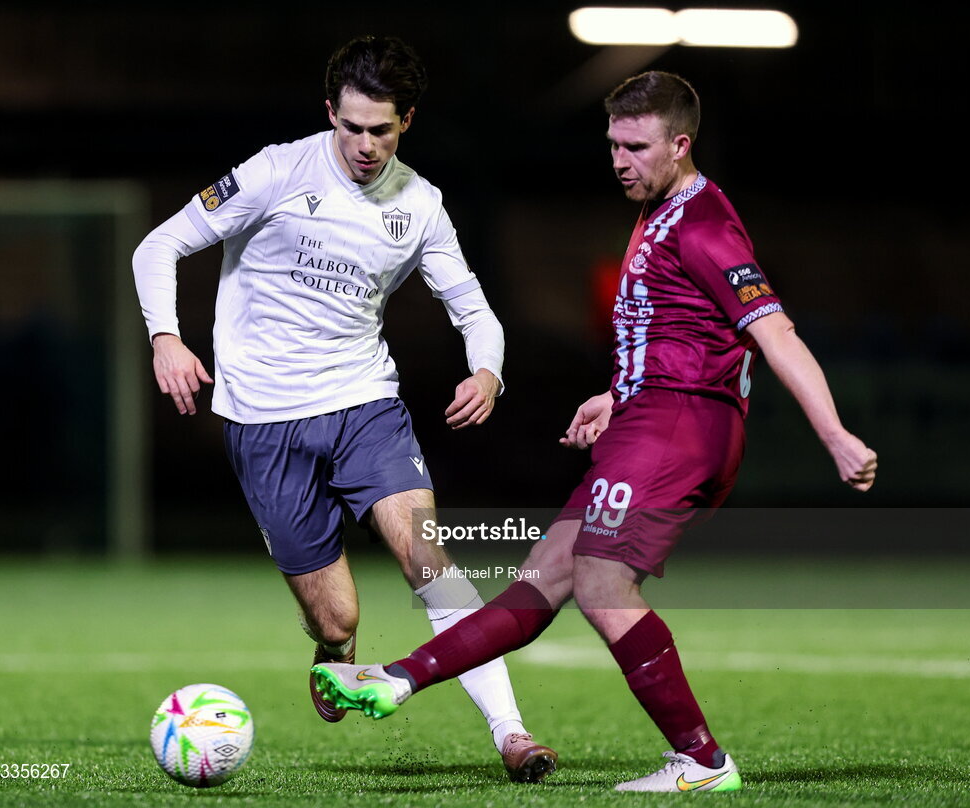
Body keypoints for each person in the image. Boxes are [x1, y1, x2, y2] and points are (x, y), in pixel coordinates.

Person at [311, 70, 878, 793]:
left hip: (677, 428)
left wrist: (833, 432)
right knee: (543, 578)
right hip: (650, 415)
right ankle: (396, 679)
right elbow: (686, 332)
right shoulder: (660, 212)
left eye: (637, 146)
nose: (620, 160)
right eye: (613, 143)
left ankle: (703, 762)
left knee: (603, 579)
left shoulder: (703, 224)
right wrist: (619, 393)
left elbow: (775, 332)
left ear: (680, 144)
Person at [131, 35, 557, 783]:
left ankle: (513, 735)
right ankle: (333, 652)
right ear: (331, 112)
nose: (364, 145)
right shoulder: (274, 172)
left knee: (430, 559)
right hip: (262, 421)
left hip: (364, 406)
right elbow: (157, 247)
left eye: (381, 129)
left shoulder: (420, 204)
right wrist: (166, 337)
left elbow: (474, 309)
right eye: (351, 126)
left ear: (407, 122)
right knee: (339, 619)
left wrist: (487, 371)